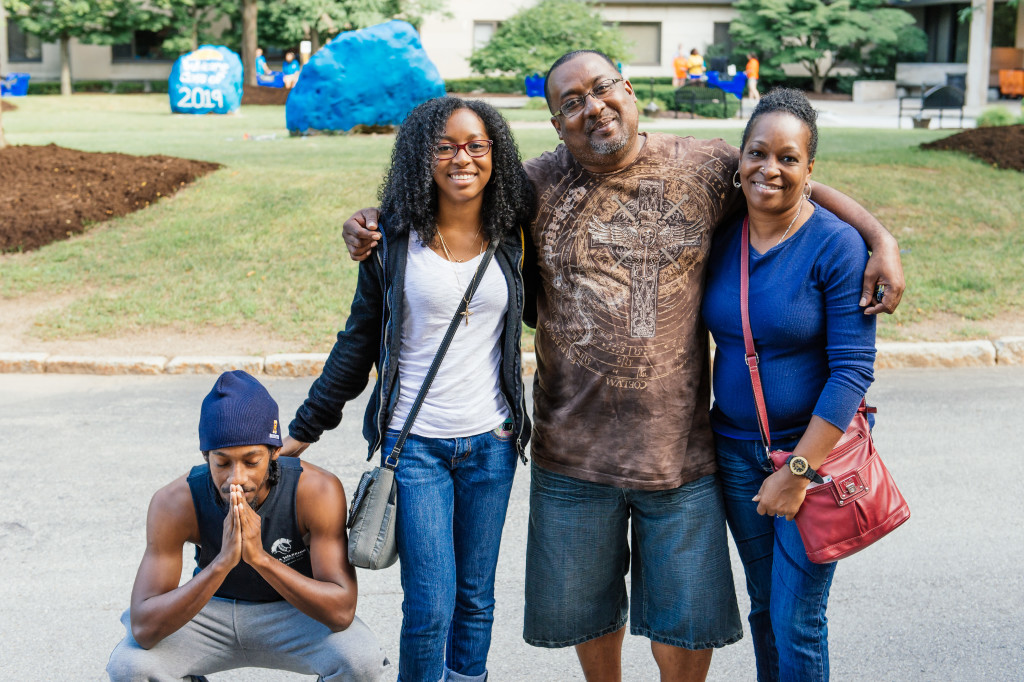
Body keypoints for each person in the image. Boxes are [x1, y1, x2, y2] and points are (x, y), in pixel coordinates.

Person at [342, 51, 904, 682]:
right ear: (557, 124)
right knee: (589, 614)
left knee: (688, 620)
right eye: (571, 103)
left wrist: (880, 238)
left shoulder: (706, 164)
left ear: (629, 89)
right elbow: (452, 191)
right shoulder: (532, 186)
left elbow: (780, 174)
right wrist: (373, 220)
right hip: (572, 451)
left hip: (680, 455)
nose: (593, 107)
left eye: (602, 88)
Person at [279, 96, 535, 682]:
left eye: (476, 145)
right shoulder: (391, 239)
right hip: (413, 447)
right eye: (443, 146)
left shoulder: (513, 234)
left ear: (495, 153)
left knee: (476, 599)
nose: (461, 158)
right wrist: (303, 430)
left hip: (492, 444)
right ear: (421, 156)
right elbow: (358, 340)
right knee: (430, 604)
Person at [703, 88, 876, 682]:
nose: (769, 169)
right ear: (740, 160)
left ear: (810, 169)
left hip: (813, 457)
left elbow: (853, 369)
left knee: (797, 618)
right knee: (763, 609)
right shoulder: (723, 237)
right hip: (734, 452)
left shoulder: (837, 245)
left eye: (788, 158)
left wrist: (798, 472)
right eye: (757, 153)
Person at [105, 370, 389, 682]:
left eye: (252, 462)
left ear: (275, 453)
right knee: (130, 667)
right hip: (209, 611)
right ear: (206, 456)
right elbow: (144, 629)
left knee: (361, 660)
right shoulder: (174, 502)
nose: (236, 478)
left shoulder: (316, 490)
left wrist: (259, 559)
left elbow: (340, 612)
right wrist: (222, 563)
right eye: (222, 463)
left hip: (292, 613)